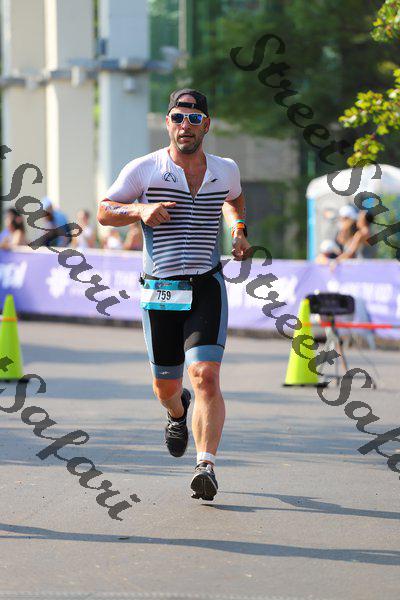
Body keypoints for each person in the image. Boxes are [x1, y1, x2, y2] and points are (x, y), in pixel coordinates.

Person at [97, 88, 250, 501]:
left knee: (206, 375)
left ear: (206, 125)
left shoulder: (225, 169)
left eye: (194, 119)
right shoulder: (145, 169)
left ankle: (206, 466)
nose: (186, 126)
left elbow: (234, 199)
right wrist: (139, 210)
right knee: (166, 387)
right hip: (161, 290)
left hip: (206, 285)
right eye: (178, 118)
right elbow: (105, 210)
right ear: (167, 123)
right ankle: (177, 413)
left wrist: (238, 230)